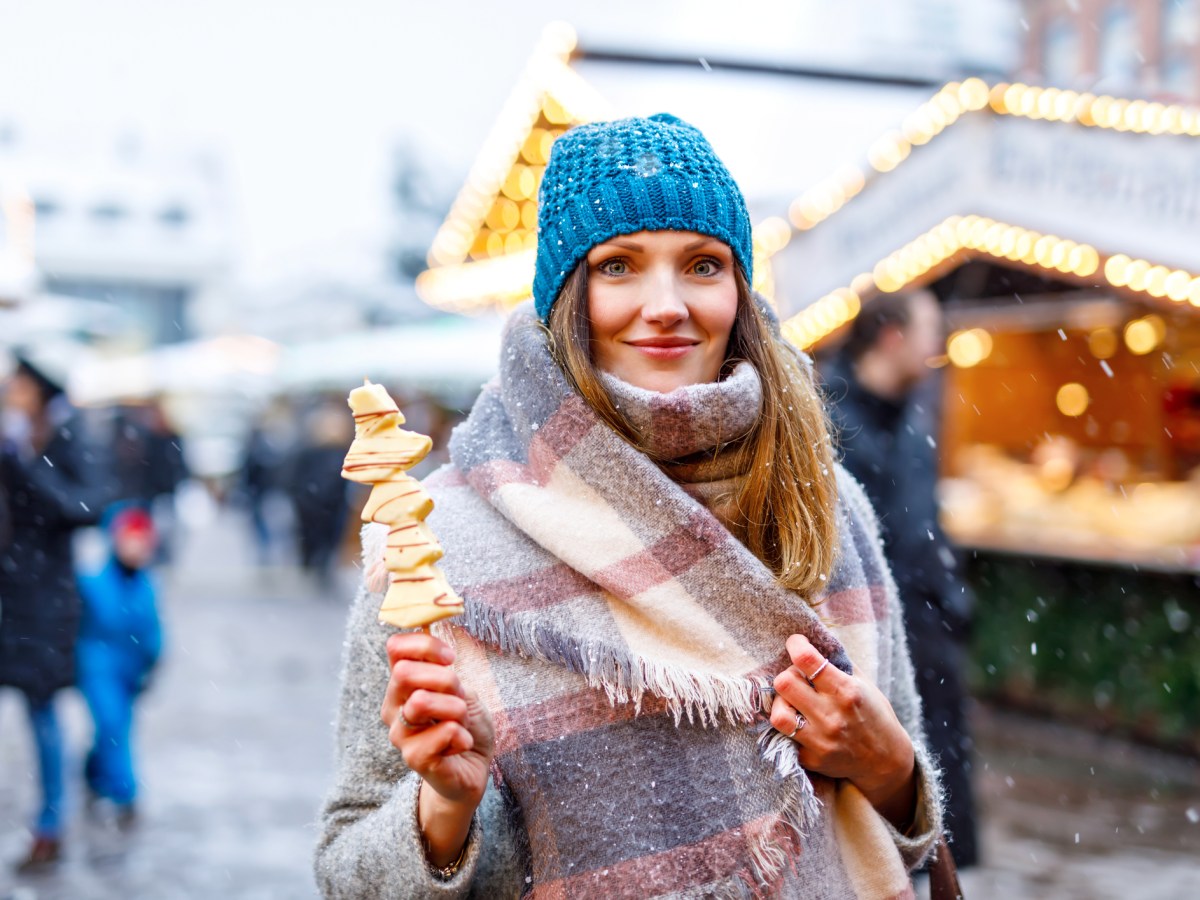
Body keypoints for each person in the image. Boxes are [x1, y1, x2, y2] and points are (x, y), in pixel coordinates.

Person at [315, 114, 946, 899]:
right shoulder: (435, 540)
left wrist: (887, 768)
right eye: (618, 266)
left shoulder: (824, 505)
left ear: (739, 290)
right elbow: (347, 870)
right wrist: (447, 809)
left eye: (703, 265)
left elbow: (910, 830)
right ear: (567, 296)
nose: (667, 305)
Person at [821, 289, 979, 868]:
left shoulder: (913, 415)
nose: (937, 347)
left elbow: (924, 528)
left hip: (931, 653)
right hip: (868, 667)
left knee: (938, 827)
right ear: (892, 337)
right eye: (928, 332)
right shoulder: (826, 421)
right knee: (875, 841)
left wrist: (953, 604)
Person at [0, 351, 108, 870]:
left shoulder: (60, 439)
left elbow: (83, 507)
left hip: (43, 599)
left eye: (17, 383)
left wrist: (22, 467)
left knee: (41, 709)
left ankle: (50, 823)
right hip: (11, 590)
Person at [75, 504, 164, 827]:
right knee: (113, 727)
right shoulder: (91, 581)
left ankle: (92, 773)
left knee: (115, 729)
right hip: (98, 668)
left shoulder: (147, 585)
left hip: (131, 671)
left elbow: (153, 630)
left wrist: (152, 662)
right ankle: (126, 795)